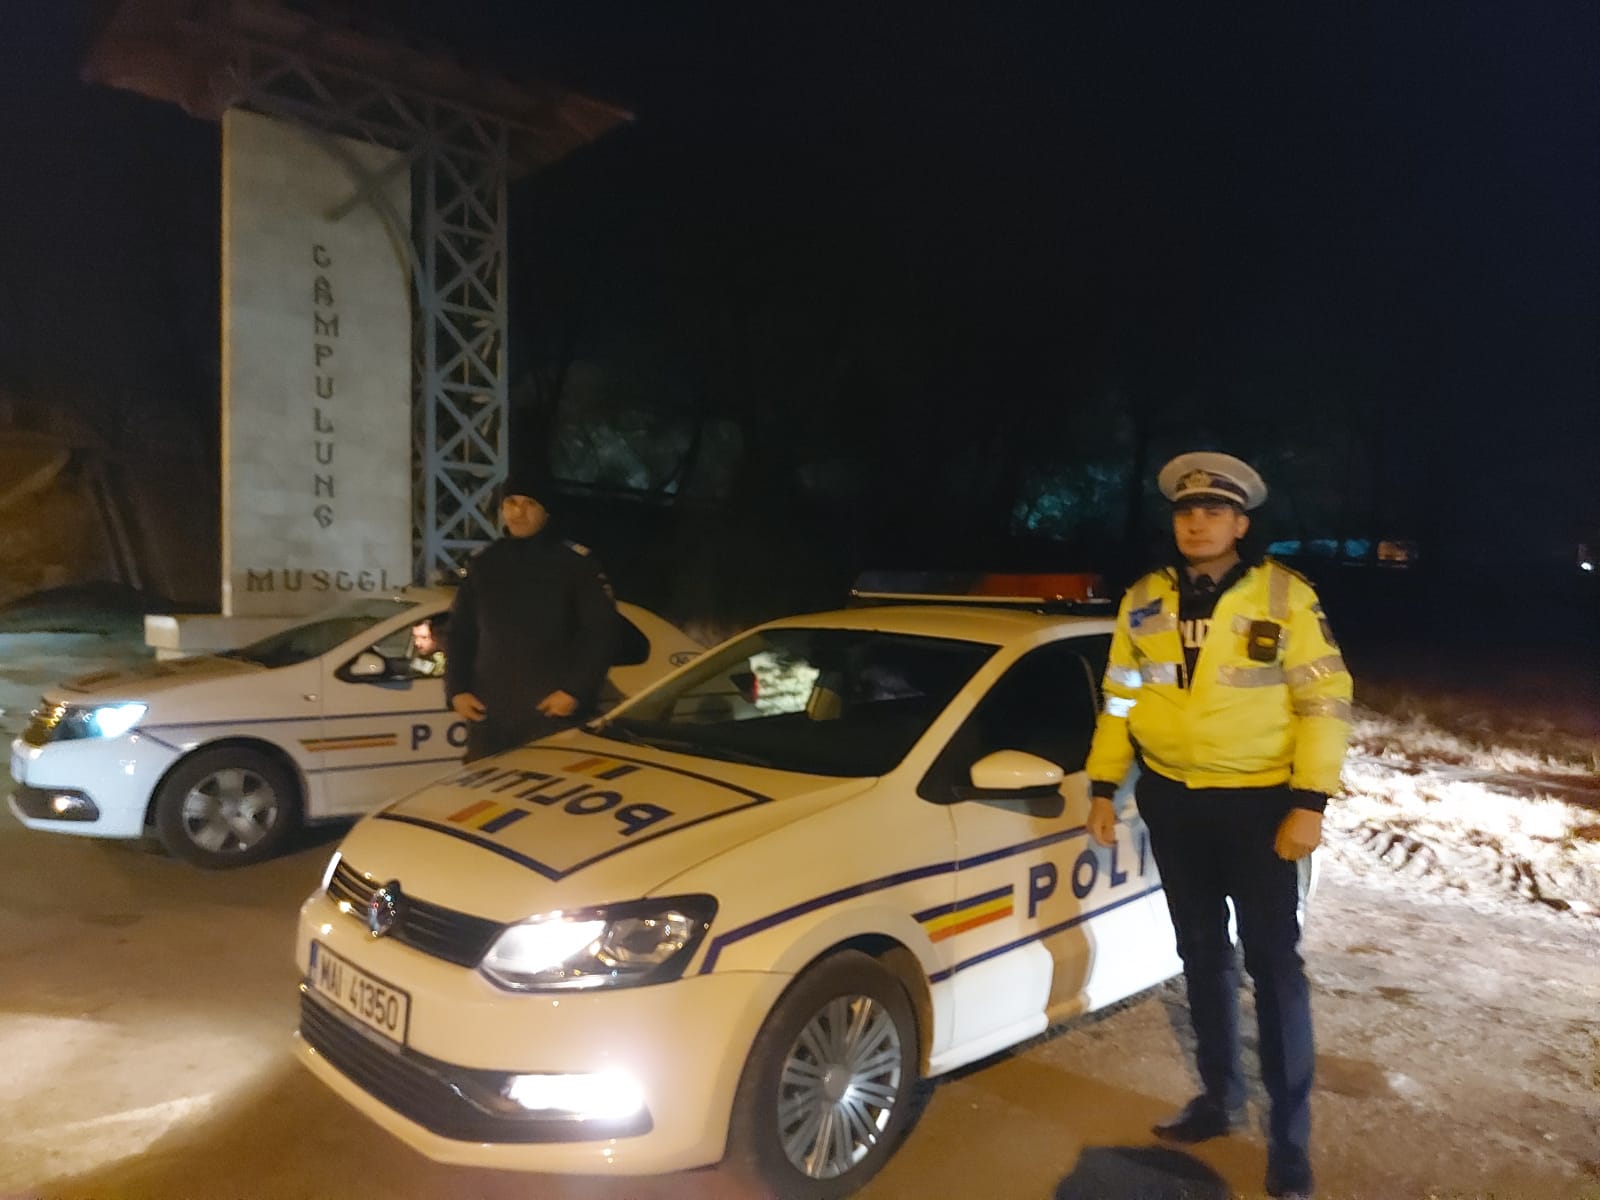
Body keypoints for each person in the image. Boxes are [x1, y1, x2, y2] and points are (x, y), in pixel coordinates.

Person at [1084, 451, 1353, 1200]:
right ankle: (1219, 1097)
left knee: (1274, 965)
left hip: (1259, 804)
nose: (1196, 523)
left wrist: (1310, 801)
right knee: (1201, 953)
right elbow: (1119, 699)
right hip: (1175, 801)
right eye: (1185, 512)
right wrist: (1104, 783)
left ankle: (1289, 1141)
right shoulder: (1145, 599)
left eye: (1213, 512)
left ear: (1240, 524)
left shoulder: (1285, 595)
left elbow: (1325, 702)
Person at [445, 465, 617, 762]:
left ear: (546, 512)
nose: (518, 512)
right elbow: (460, 633)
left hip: (551, 717)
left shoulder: (575, 565)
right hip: (490, 719)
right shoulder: (485, 563)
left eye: (530, 504)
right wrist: (457, 689)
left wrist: (575, 691)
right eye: (511, 503)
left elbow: (600, 633)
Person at [408, 613, 448, 677]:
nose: (417, 643)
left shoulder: (448, 661)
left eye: (424, 637)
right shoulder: (417, 659)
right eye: (415, 637)